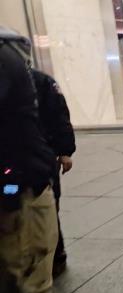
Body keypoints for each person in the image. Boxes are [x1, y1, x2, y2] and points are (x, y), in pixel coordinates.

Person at [0, 26, 63, 293]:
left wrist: (8, 192)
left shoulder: (5, 61)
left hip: (20, 187)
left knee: (29, 284)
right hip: (22, 183)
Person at [31, 69, 76, 278]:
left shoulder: (41, 81)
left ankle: (57, 256)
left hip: (41, 157)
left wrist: (65, 151)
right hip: (12, 160)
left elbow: (59, 116)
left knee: (48, 205)